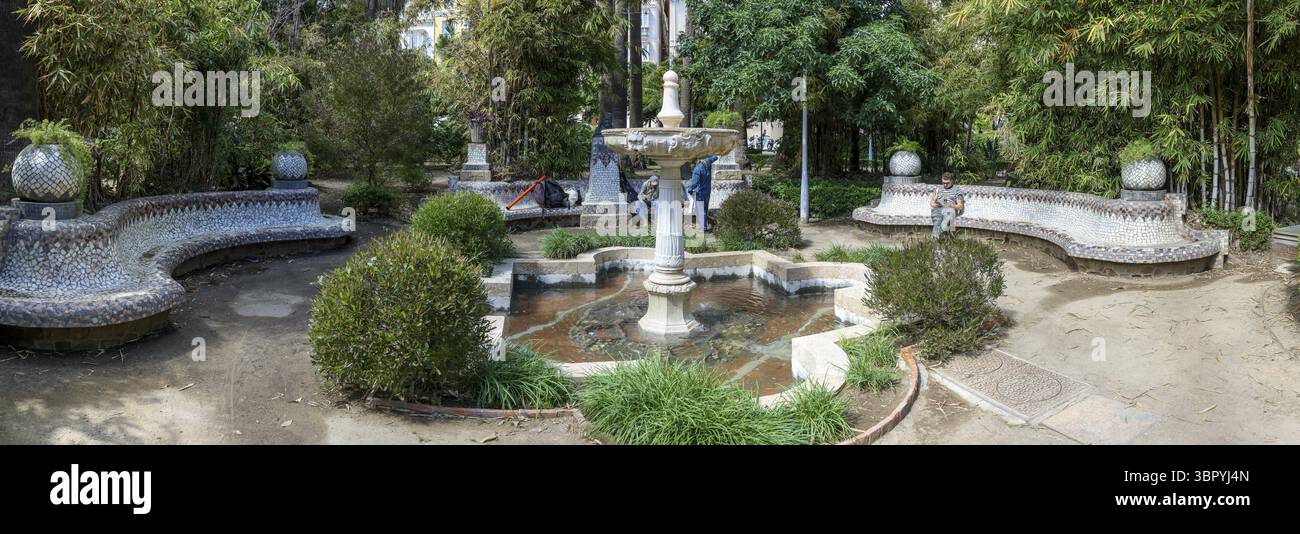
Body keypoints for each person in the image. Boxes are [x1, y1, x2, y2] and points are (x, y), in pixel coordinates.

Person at [687, 156, 717, 232]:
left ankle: (702, 228)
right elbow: (716, 157)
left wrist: (689, 190)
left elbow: (694, 183)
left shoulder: (697, 170)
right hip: (707, 191)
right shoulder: (708, 163)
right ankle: (704, 227)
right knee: (705, 209)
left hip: (699, 192)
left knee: (700, 210)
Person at [930, 172, 965, 238]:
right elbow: (931, 202)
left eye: (947, 183)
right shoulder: (938, 189)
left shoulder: (957, 191)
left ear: (952, 181)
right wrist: (935, 204)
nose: (945, 185)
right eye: (943, 183)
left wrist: (951, 205)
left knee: (945, 225)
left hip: (950, 210)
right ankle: (936, 239)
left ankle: (936, 238)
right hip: (938, 209)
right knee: (937, 222)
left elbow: (960, 206)